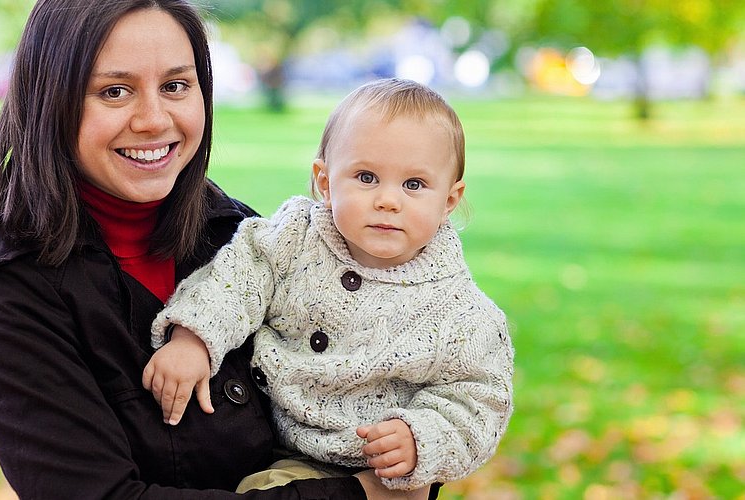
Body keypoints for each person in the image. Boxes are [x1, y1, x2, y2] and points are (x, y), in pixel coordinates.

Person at [0, 0, 387, 497]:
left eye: (176, 86)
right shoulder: (1, 297)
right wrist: (365, 494)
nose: (154, 120)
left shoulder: (243, 237)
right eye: (115, 91)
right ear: (50, 100)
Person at [144, 79, 515, 496]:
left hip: (376, 470)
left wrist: (421, 439)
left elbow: (479, 400)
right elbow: (236, 279)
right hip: (273, 438)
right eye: (366, 176)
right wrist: (195, 337)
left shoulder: (461, 313)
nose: (388, 200)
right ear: (324, 180)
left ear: (449, 199)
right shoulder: (294, 239)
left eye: (414, 185)